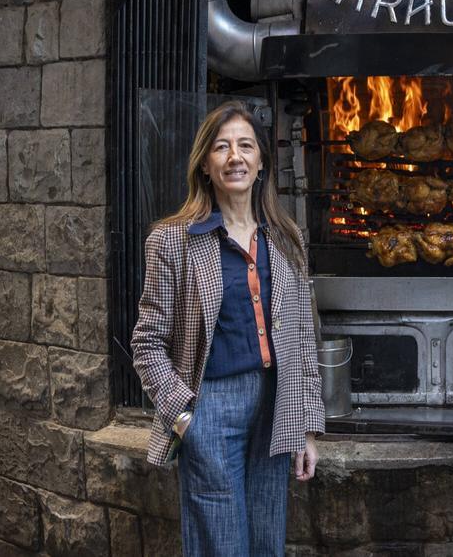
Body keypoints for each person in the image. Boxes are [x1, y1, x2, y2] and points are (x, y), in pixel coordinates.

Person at [131, 102, 325, 556]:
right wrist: (184, 417)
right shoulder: (173, 239)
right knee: (221, 543)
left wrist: (307, 430)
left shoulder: (287, 237)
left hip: (276, 405)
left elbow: (301, 341)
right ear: (205, 164)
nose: (234, 156)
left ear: (261, 163)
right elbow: (146, 342)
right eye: (221, 147)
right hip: (210, 407)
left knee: (265, 542)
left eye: (245, 146)